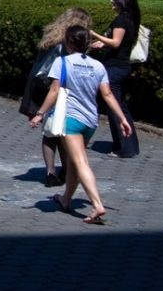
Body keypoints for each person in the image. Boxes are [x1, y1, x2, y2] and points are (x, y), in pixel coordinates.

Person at [29, 25, 133, 224]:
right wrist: (123, 119)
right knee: (74, 163)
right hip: (90, 121)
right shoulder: (98, 66)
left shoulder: (62, 63)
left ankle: (97, 204)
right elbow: (108, 95)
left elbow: (54, 91)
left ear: (68, 42)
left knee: (80, 161)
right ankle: (66, 199)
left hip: (71, 119)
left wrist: (40, 113)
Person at [21, 7, 93, 186]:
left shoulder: (52, 37)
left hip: (41, 86)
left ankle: (51, 171)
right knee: (61, 131)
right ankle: (65, 170)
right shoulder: (67, 42)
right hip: (58, 89)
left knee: (51, 131)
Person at [90, 0, 142, 158]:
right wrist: (100, 43)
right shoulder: (129, 19)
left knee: (115, 108)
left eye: (114, 0)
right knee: (120, 106)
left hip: (115, 68)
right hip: (120, 66)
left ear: (121, 3)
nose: (111, 2)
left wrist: (93, 34)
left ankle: (123, 147)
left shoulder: (121, 20)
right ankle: (130, 145)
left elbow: (116, 42)